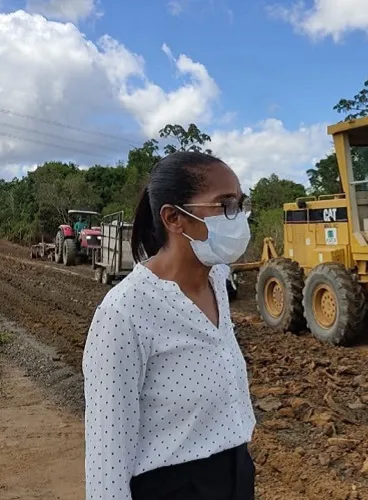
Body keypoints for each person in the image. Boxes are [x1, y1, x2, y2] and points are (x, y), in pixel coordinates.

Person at [82, 151, 256, 500]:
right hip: (174, 488)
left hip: (235, 473)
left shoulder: (217, 280)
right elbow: (106, 456)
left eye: (239, 203)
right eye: (224, 205)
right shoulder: (125, 313)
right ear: (175, 218)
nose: (237, 218)